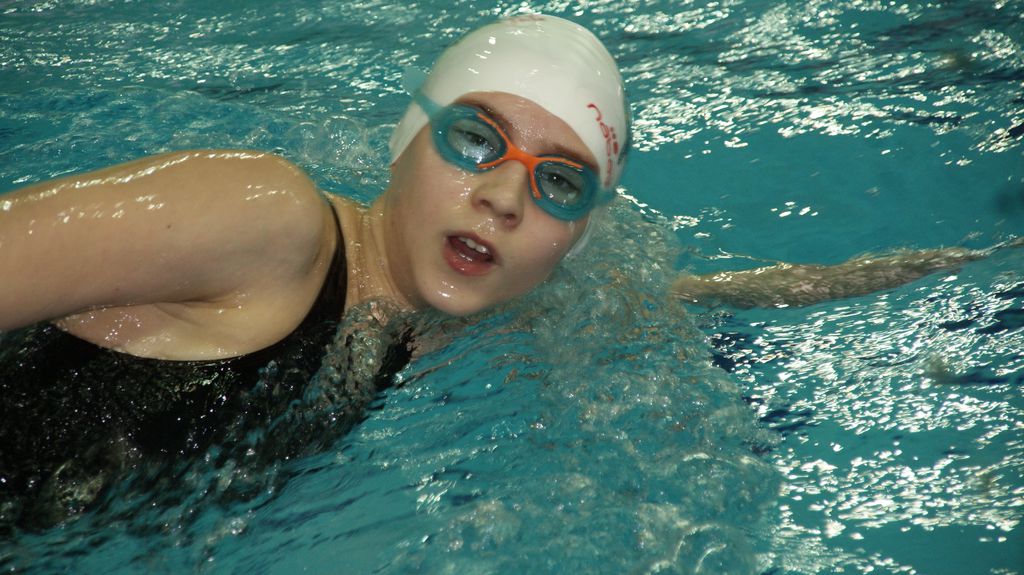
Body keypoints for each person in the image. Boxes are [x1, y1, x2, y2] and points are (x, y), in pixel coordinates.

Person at [0, 13, 1001, 530]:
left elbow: (663, 304)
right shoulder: (266, 217)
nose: (507, 197)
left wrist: (912, 276)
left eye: (558, 182)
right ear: (407, 140)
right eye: (477, 139)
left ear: (573, 236)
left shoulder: (435, 324)